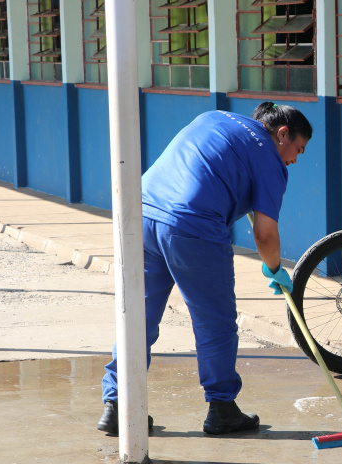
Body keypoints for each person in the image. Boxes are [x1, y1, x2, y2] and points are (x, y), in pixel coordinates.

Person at [97, 103, 311, 436]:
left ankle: (117, 404)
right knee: (215, 322)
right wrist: (274, 269)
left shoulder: (212, 117)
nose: (295, 160)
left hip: (142, 215)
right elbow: (265, 233)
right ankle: (222, 408)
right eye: (298, 149)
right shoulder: (269, 159)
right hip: (192, 227)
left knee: (138, 317)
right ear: (282, 133)